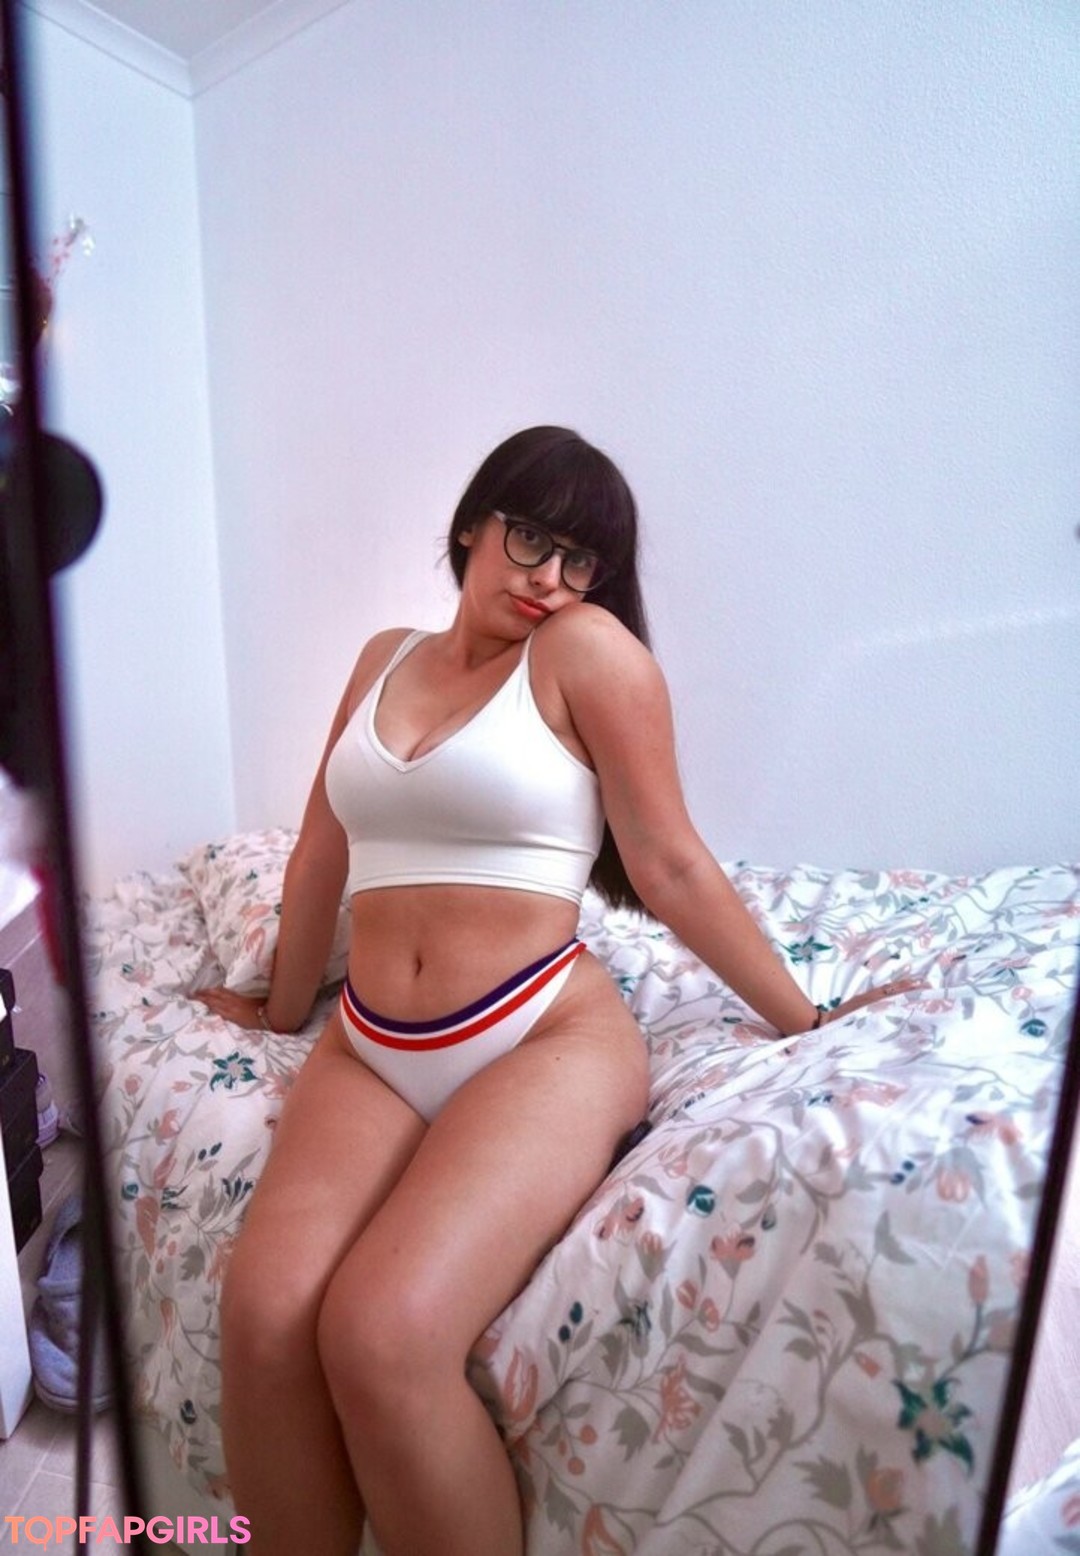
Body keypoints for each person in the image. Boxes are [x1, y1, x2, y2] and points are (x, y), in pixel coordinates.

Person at [199, 426, 917, 1556]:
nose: (551, 577)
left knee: (383, 1334)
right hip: (369, 1042)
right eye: (531, 538)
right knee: (262, 1316)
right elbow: (320, 852)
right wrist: (280, 1011)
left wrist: (811, 1018)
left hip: (540, 1037)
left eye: (582, 559)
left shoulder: (584, 651)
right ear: (470, 526)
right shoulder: (383, 655)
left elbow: (669, 862)